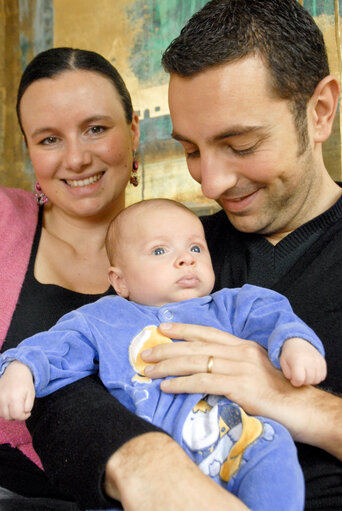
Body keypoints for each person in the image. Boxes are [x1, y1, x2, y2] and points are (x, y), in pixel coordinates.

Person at [20, 1, 342, 510]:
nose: (210, 183)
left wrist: (298, 403)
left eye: (239, 144)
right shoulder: (179, 246)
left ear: (319, 111)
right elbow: (68, 388)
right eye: (192, 149)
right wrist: (150, 464)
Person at [0, 198, 327, 511]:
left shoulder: (232, 306)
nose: (187, 259)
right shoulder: (102, 319)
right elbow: (57, 348)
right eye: (159, 250)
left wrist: (295, 344)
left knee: (275, 456)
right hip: (151, 467)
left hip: (241, 443)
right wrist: (21, 368)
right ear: (120, 280)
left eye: (195, 247)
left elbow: (274, 318)